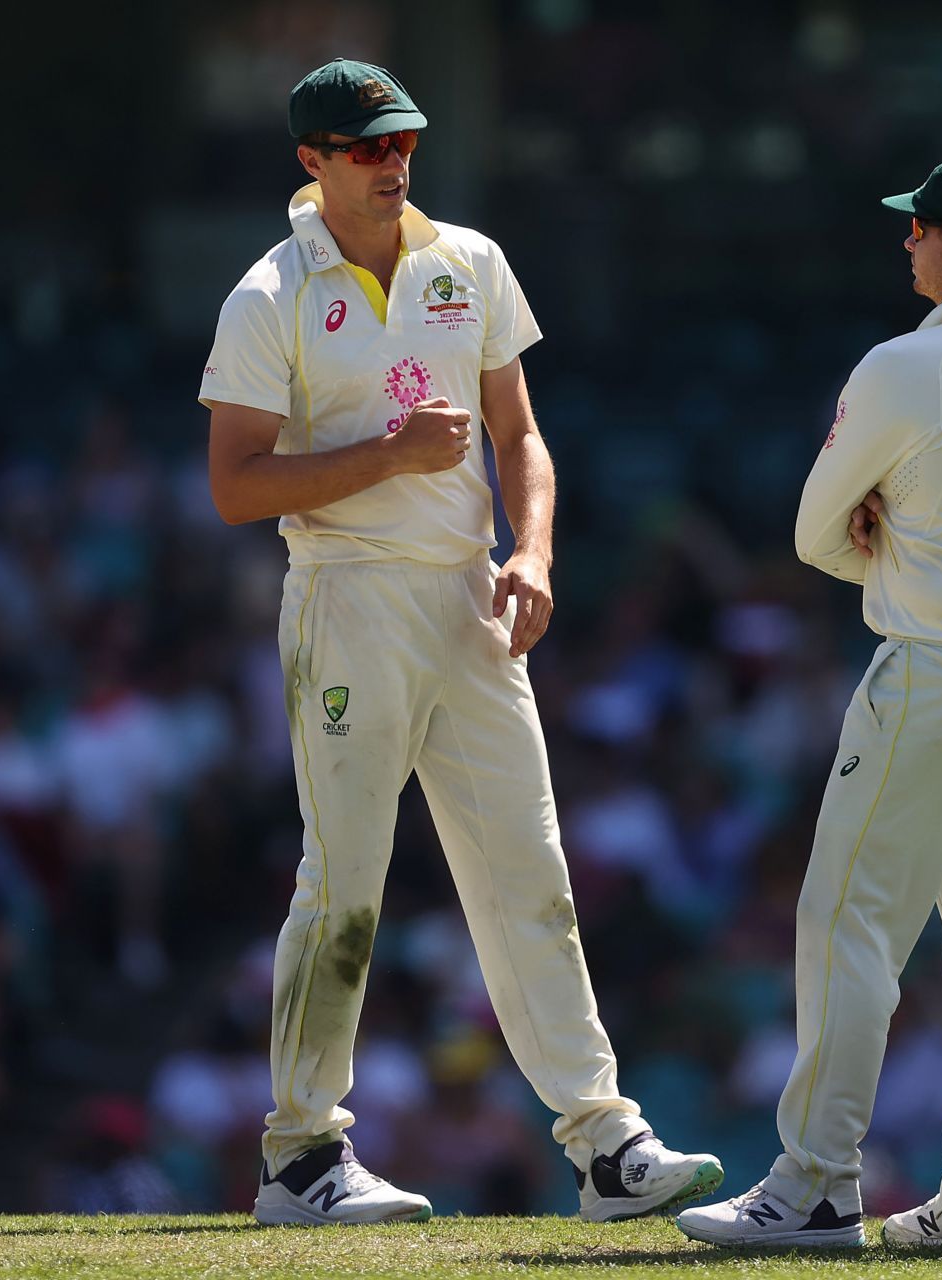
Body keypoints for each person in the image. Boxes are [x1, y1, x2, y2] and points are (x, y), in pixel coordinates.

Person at [198, 57, 721, 1227]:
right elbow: (234, 485)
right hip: (345, 598)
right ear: (313, 161)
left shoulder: (469, 262)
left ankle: (604, 1143)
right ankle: (301, 1155)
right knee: (344, 886)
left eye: (404, 144)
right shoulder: (268, 293)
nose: (394, 164)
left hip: (470, 601)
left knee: (530, 874)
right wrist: (385, 454)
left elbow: (520, 435)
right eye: (368, 148)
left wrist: (531, 553)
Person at [677, 156, 942, 1252]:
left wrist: (893, 554)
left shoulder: (906, 363)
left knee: (845, 917)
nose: (907, 242)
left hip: (941, 665)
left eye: (922, 229)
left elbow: (816, 532)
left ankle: (815, 1180)